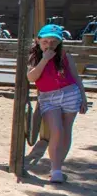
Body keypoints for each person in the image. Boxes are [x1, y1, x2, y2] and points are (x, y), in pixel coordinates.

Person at [26, 24, 88, 183]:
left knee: (66, 131)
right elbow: (31, 77)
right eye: (45, 41)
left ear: (59, 42)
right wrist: (45, 59)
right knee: (57, 130)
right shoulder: (35, 56)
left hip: (70, 93)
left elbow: (76, 77)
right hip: (48, 97)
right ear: (38, 41)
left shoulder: (65, 56)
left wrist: (83, 98)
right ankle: (55, 168)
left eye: (54, 42)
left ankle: (57, 168)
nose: (49, 45)